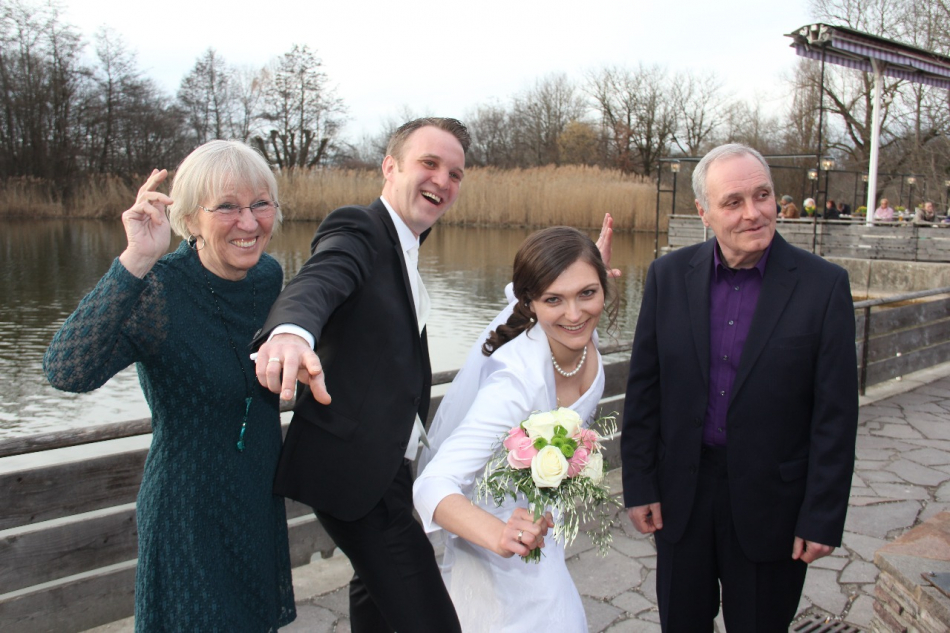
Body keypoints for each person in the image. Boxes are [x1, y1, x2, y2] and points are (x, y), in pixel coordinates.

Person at [44, 141, 295, 631]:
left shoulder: (267, 275)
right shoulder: (157, 290)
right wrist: (136, 260)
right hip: (188, 512)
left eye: (261, 204)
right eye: (227, 206)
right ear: (189, 216)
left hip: (256, 496)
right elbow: (66, 371)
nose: (249, 223)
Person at [621, 143, 858, 632]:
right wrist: (640, 484)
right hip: (682, 499)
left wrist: (821, 515)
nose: (753, 213)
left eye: (762, 195)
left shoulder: (824, 286)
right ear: (703, 212)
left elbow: (835, 416)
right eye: (733, 202)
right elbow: (645, 391)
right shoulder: (668, 277)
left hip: (773, 506)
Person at [252, 117, 469, 633]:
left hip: (386, 471)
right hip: (357, 474)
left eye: (455, 174)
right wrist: (291, 331)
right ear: (390, 167)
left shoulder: (406, 242)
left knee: (374, 597)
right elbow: (321, 279)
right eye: (429, 163)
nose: (442, 180)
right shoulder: (358, 228)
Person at [413, 224, 617, 632]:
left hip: (542, 528)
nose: (575, 314)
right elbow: (430, 486)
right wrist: (499, 533)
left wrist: (582, 266)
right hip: (494, 534)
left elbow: (556, 297)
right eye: (554, 299)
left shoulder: (577, 333)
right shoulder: (515, 384)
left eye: (587, 293)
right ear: (531, 303)